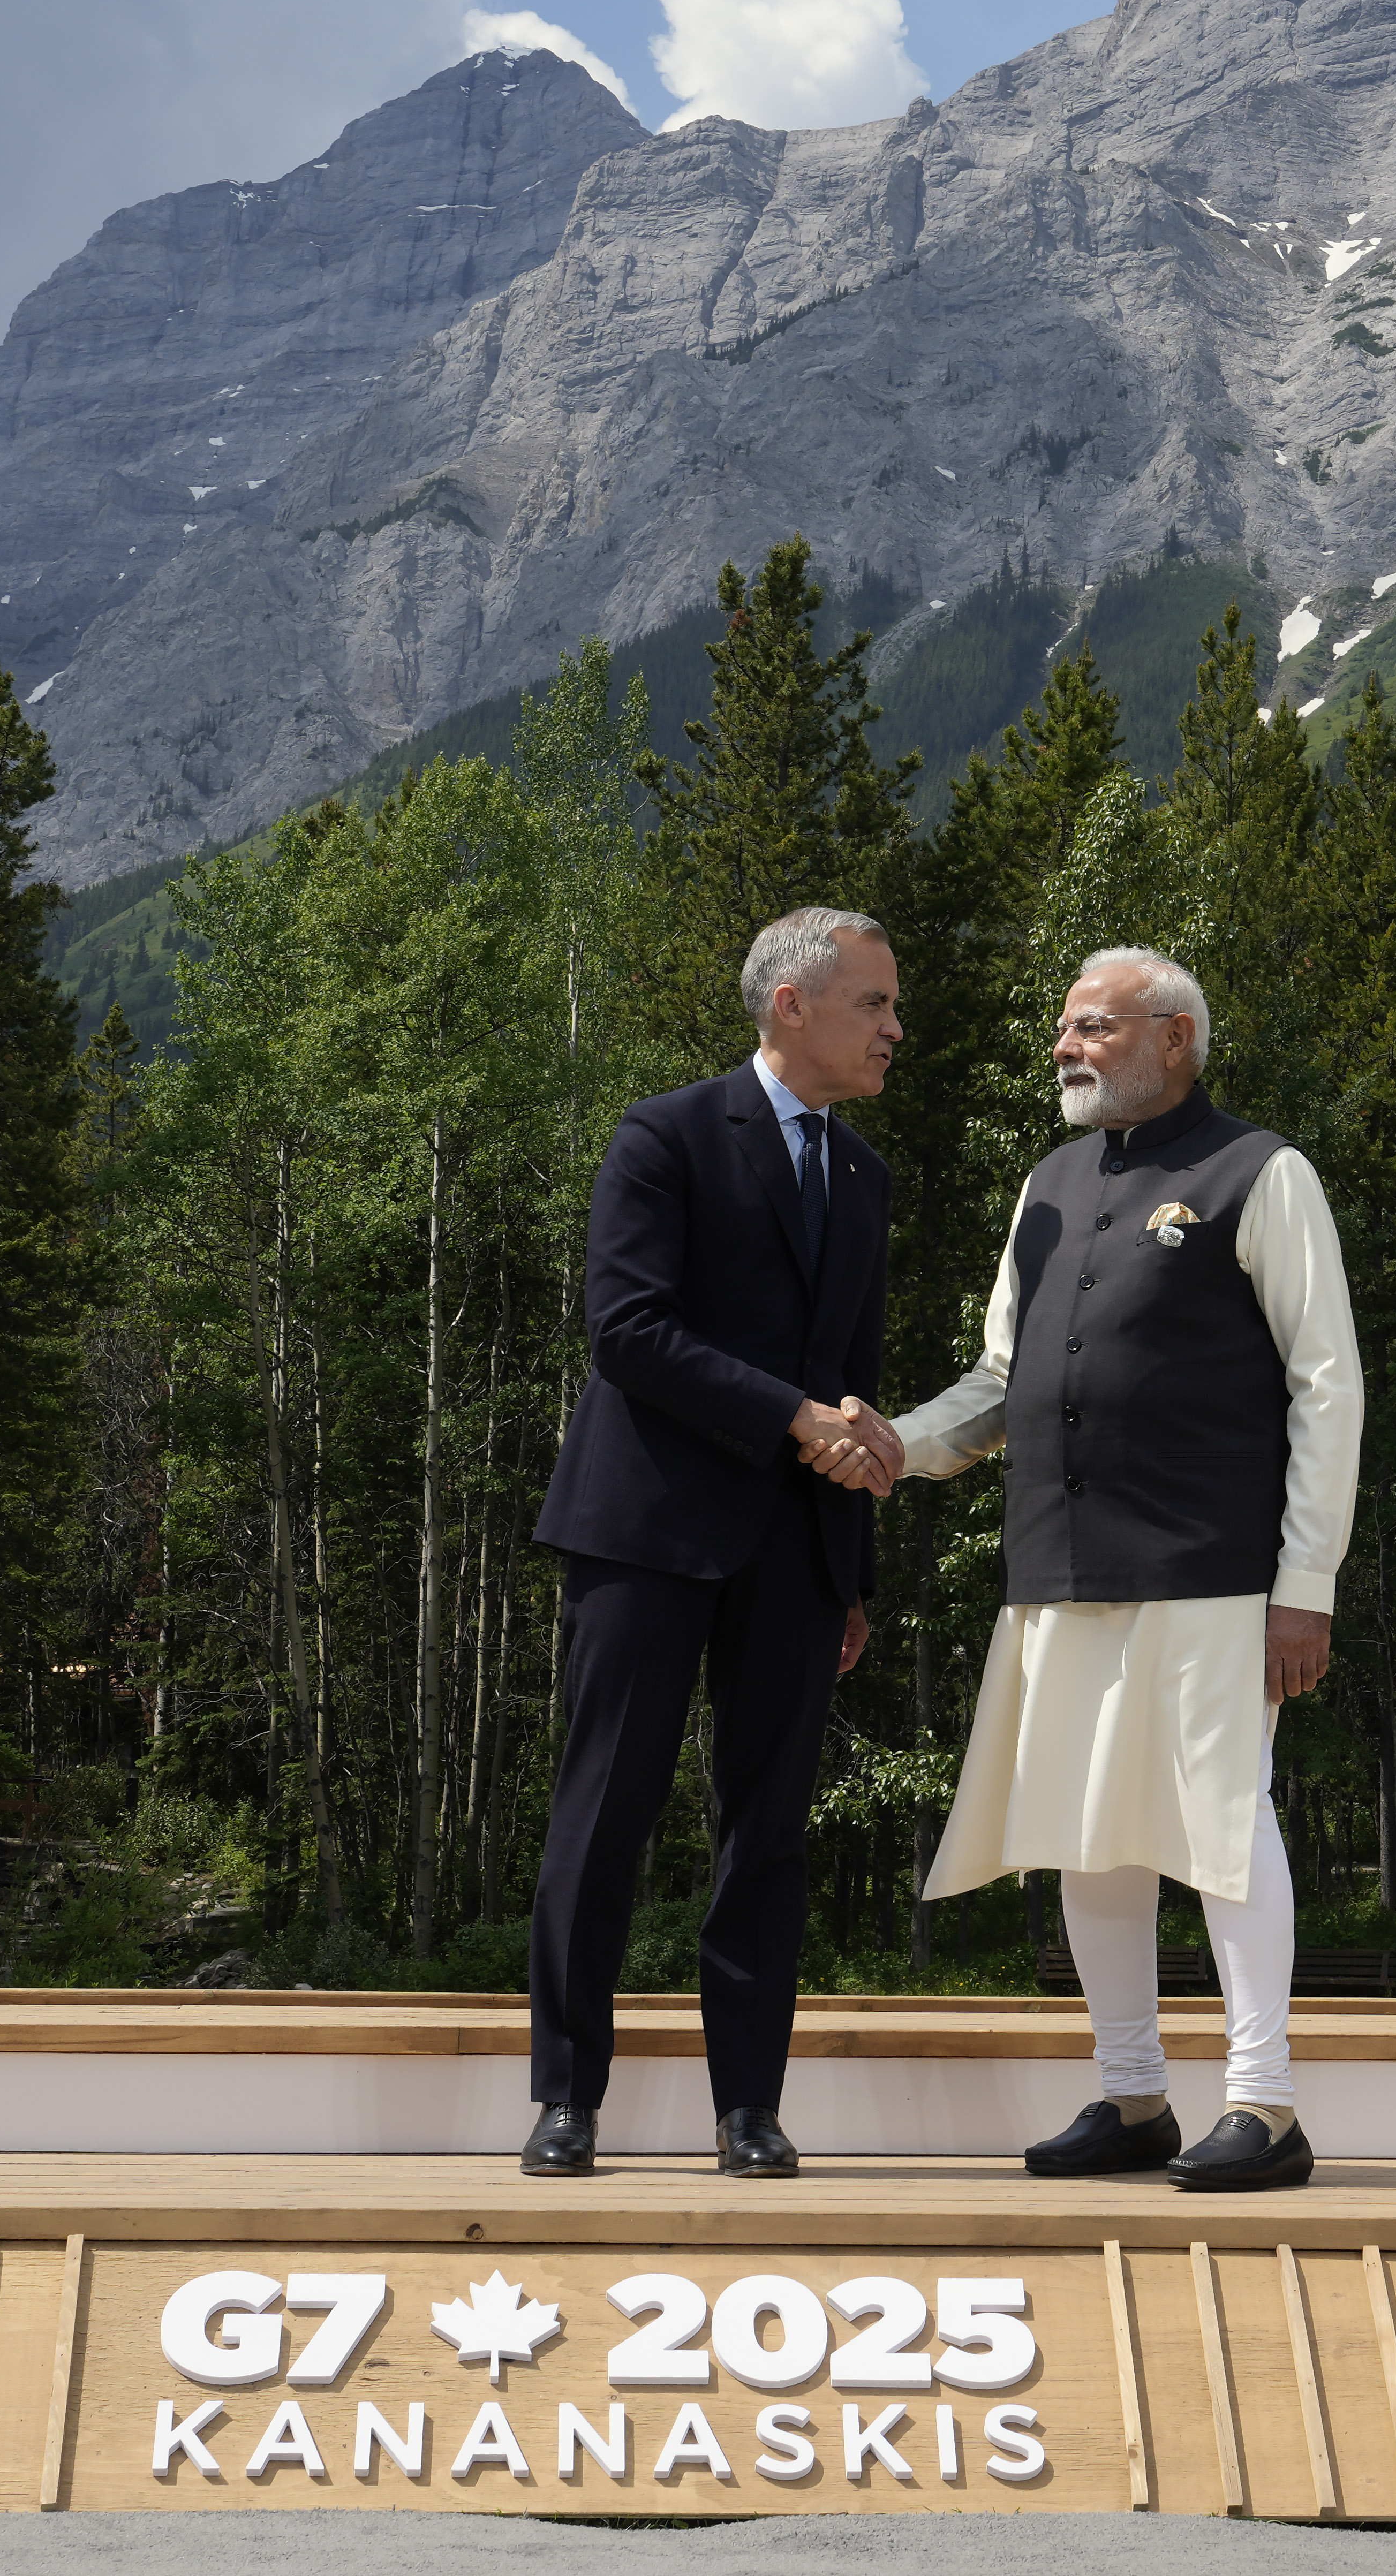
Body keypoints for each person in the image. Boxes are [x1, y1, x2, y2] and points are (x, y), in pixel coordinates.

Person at [829, 945, 1359, 2192]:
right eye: (1064, 1028)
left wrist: (1307, 1584)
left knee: (1226, 1833)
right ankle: (1133, 2100)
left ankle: (1265, 2106)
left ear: (1175, 1038)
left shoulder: (1263, 1173)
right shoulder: (1051, 1184)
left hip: (1216, 1573)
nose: (1066, 1046)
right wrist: (894, 1448)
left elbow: (1328, 1388)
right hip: (1058, 1569)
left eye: (1094, 1027)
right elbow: (1005, 1382)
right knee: (1088, 1840)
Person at [518, 905, 902, 2179]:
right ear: (792, 1005)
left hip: (795, 1555)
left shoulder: (865, 1179)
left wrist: (848, 1573)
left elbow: (850, 1382)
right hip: (646, 1534)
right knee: (605, 1815)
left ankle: (750, 2110)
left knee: (770, 1834)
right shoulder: (665, 1135)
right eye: (875, 1005)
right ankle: (566, 2100)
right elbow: (627, 1330)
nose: (896, 1029)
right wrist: (794, 1417)